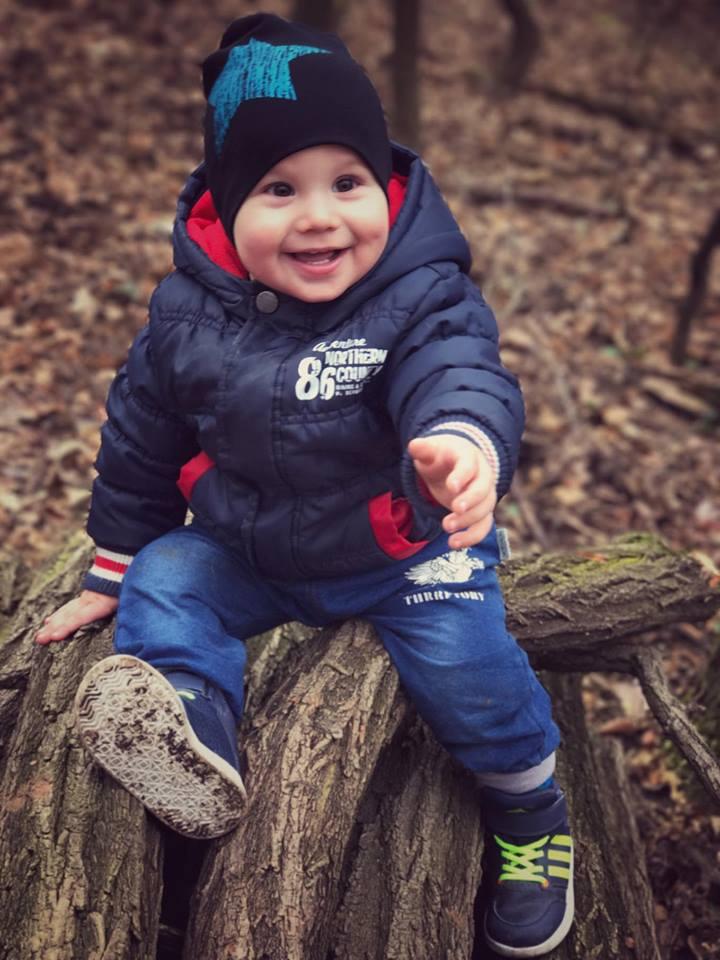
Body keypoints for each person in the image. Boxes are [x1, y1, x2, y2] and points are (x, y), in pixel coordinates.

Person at [36, 13, 573, 956]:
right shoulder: (187, 314)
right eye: (279, 189)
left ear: (387, 187)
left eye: (346, 183)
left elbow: (460, 372)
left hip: (401, 547)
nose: (320, 216)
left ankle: (529, 809)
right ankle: (193, 727)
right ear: (226, 206)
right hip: (253, 546)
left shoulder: (420, 293)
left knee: (470, 667)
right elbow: (140, 434)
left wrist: (461, 446)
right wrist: (113, 563)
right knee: (167, 577)